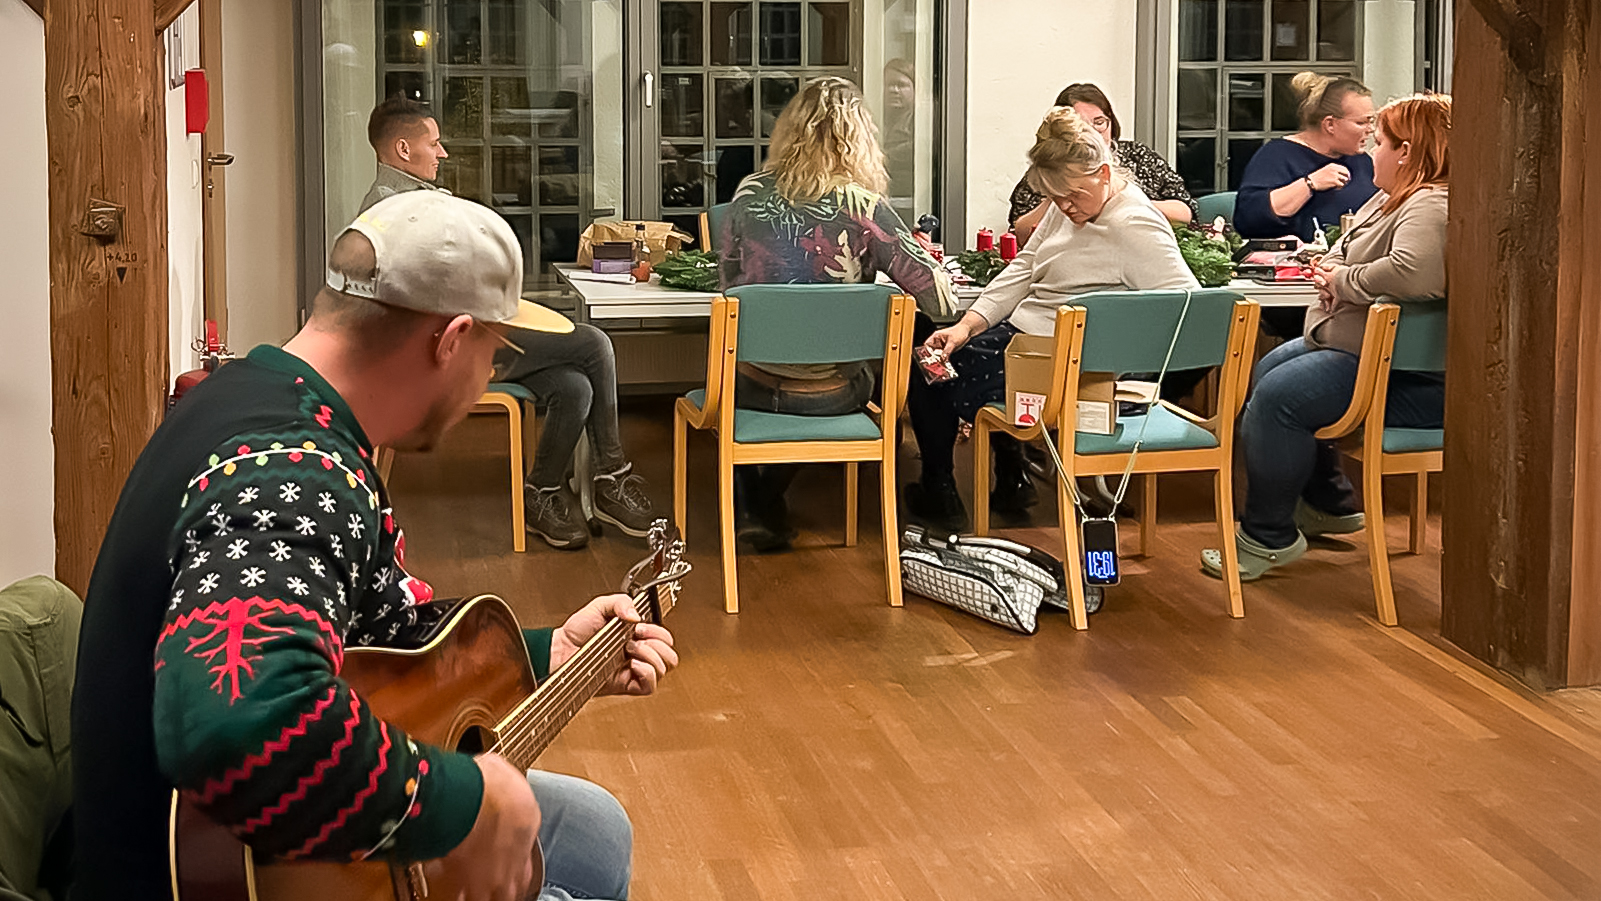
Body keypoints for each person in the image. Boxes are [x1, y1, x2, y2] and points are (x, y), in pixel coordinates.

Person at [71, 191, 679, 901]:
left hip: (266, 841)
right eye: (494, 353)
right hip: (216, 874)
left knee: (593, 829)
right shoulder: (292, 469)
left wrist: (547, 654)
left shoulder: (260, 396)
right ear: (449, 341)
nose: (489, 374)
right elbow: (237, 724)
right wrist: (459, 805)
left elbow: (362, 636)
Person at [360, 96, 658, 550]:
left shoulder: (406, 201)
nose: (442, 154)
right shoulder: (397, 214)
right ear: (403, 150)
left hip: (455, 337)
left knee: (574, 386)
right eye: (434, 144)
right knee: (594, 344)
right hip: (443, 354)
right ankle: (611, 475)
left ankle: (541, 492)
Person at [905, 106, 1200, 532]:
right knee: (945, 349)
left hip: (1060, 361)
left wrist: (1116, 352)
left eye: (1073, 195)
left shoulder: (1133, 222)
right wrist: (966, 324)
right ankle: (1011, 475)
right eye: (1056, 197)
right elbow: (1024, 268)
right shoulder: (1067, 208)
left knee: (929, 372)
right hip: (1028, 344)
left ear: (1103, 172)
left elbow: (1184, 301)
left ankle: (941, 486)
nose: (1065, 206)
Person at [1201, 94, 1451, 581]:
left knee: (1279, 399)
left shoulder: (1431, 204)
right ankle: (1327, 502)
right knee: (1268, 372)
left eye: (1378, 142)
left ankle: (1267, 536)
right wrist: (1335, 269)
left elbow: (1415, 272)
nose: (1367, 153)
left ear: (1405, 152)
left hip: (1404, 373)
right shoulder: (1391, 195)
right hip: (1355, 347)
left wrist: (1343, 282)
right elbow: (1339, 249)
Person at [717, 75, 953, 551]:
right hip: (834, 394)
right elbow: (940, 303)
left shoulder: (747, 194)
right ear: (859, 141)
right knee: (863, 372)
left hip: (750, 385)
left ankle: (752, 497)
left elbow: (729, 286)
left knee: (742, 364)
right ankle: (764, 497)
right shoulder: (867, 207)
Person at [1008, 83, 1196, 246]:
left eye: (1100, 122)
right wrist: (1060, 191)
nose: (1094, 132)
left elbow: (1185, 212)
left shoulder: (1138, 155)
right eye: (1082, 125)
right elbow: (1021, 235)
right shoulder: (1050, 169)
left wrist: (1119, 203)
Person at [1233, 73, 1377, 242]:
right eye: (1361, 123)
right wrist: (1309, 184)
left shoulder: (1363, 161)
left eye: (1372, 121)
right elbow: (1248, 218)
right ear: (1329, 124)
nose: (1371, 129)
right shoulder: (1277, 155)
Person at [881, 58, 917, 222]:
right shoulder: (875, 117)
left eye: (901, 85)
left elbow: (917, 148)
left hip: (909, 201)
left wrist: (883, 155)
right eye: (888, 84)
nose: (893, 90)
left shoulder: (921, 121)